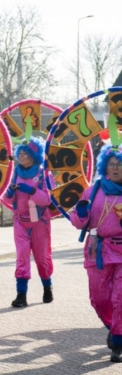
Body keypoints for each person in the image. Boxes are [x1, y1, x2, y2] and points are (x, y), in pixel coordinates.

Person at [69, 143, 122, 362]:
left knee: (120, 297)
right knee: (99, 298)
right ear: (104, 166)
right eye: (111, 164)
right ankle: (113, 326)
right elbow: (77, 222)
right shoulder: (93, 191)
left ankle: (118, 342)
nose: (115, 168)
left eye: (120, 164)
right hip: (97, 250)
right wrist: (81, 213)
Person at [2, 136, 53, 308]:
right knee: (22, 257)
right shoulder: (14, 173)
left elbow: (48, 199)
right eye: (20, 153)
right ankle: (21, 295)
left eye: (26, 153)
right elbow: (7, 199)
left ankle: (47, 286)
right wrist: (9, 193)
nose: (21, 156)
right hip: (20, 221)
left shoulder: (44, 174)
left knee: (42, 258)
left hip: (40, 222)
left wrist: (32, 190)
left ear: (34, 155)